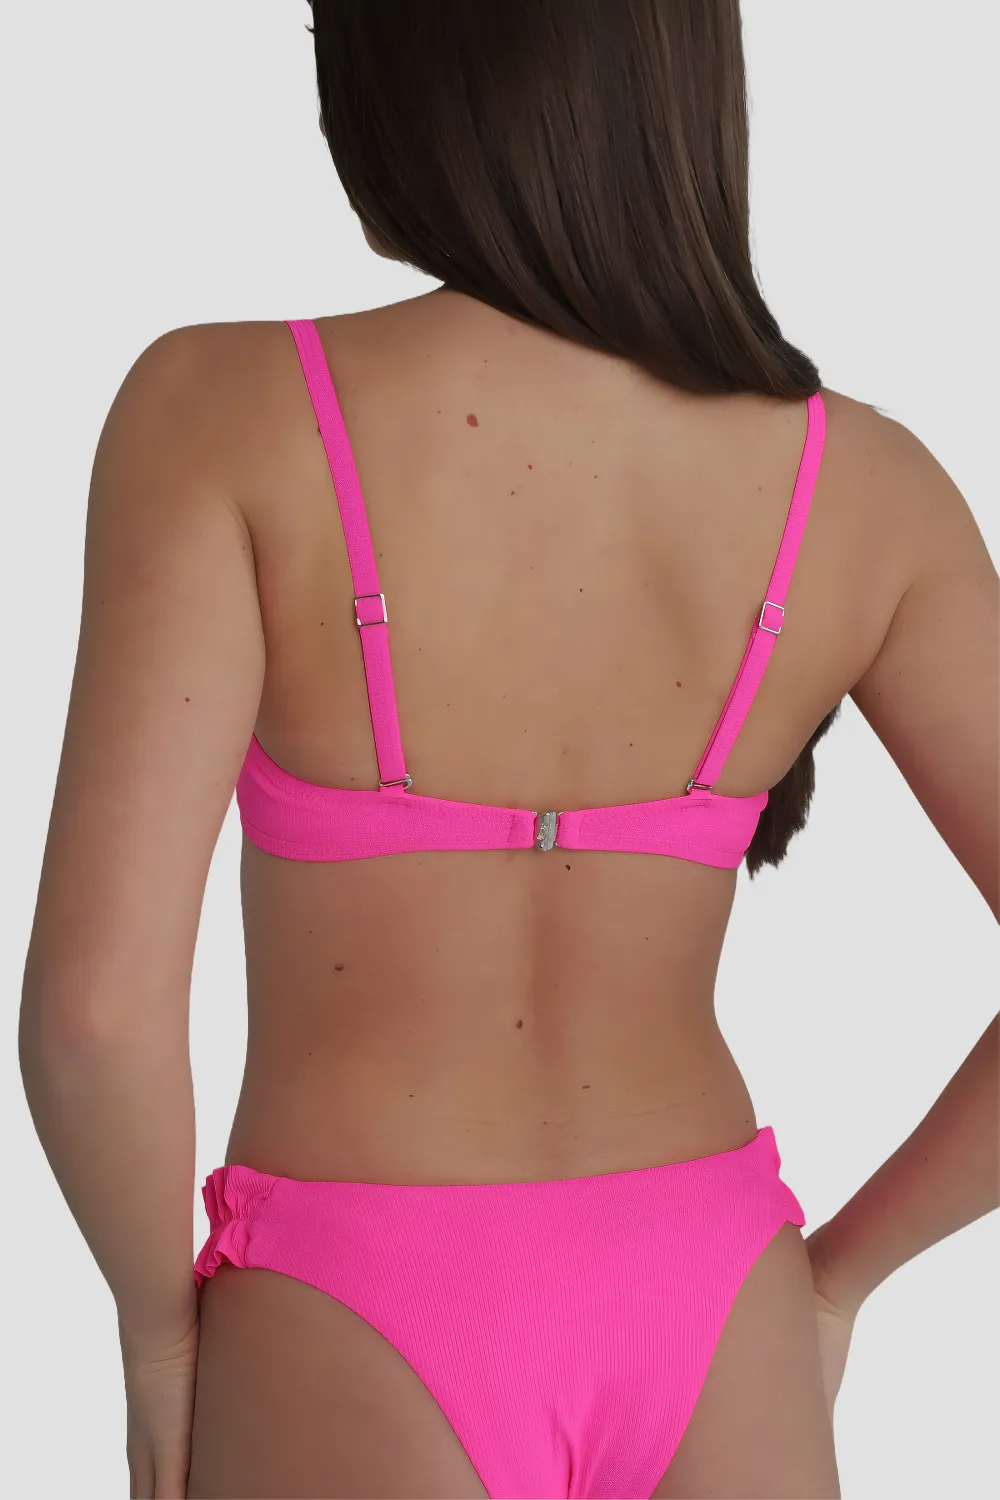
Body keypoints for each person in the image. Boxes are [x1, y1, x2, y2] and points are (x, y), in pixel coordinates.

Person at [18, 3, 998, 1498]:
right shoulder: (867, 487)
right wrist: (833, 1283)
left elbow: (93, 1016)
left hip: (354, 1301)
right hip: (715, 1291)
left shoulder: (221, 414)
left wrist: (157, 1342)